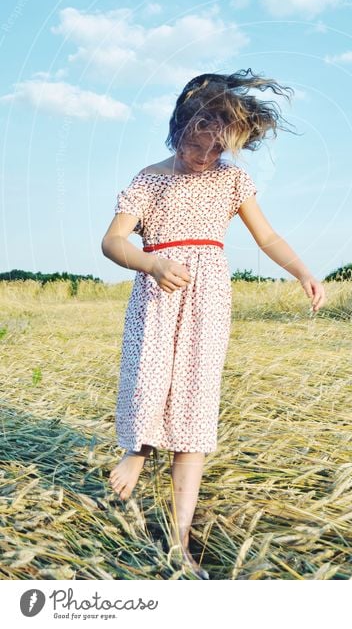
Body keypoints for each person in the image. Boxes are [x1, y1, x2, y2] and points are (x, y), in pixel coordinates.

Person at [101, 68, 326, 578]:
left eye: (217, 150)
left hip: (209, 300)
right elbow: (112, 242)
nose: (206, 157)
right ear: (180, 127)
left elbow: (267, 238)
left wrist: (303, 272)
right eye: (198, 145)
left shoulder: (231, 179)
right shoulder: (150, 179)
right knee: (149, 379)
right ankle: (137, 448)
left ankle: (179, 542)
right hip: (158, 295)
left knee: (195, 405)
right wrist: (152, 263)